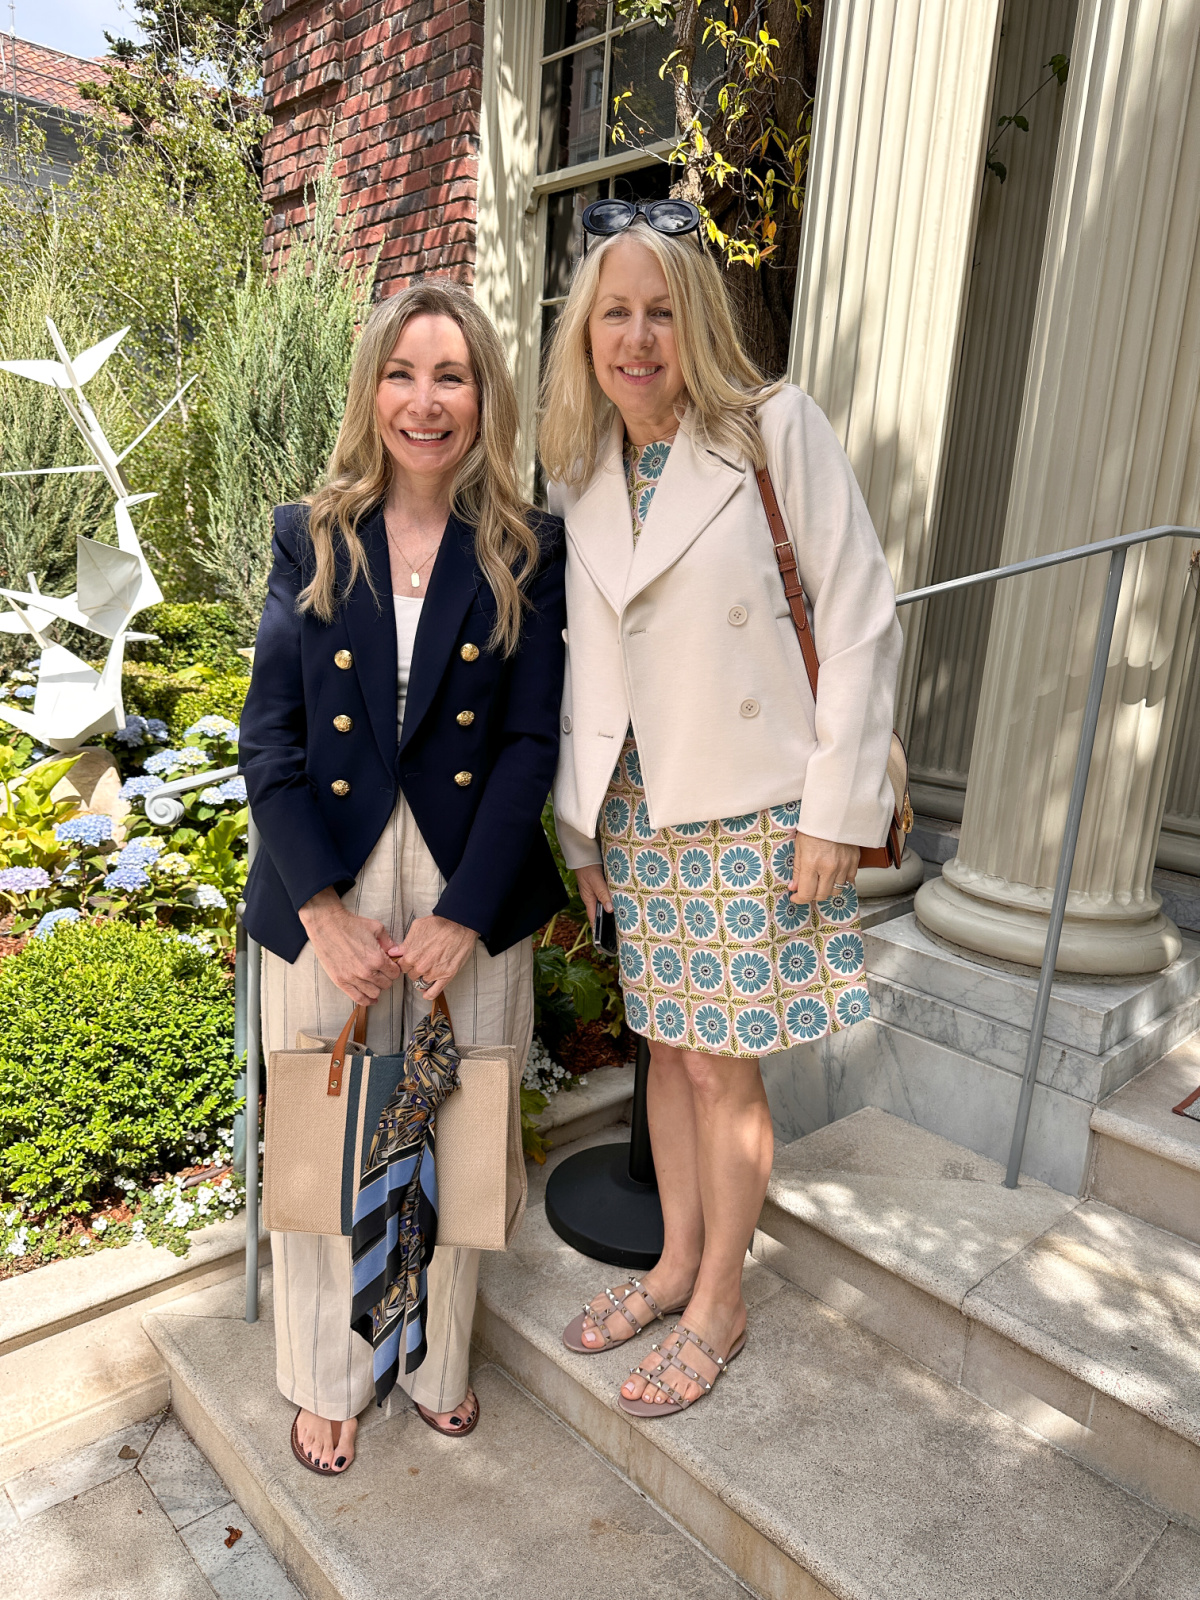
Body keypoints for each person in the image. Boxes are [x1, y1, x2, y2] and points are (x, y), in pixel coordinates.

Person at [540, 200, 901, 1418]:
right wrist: (582, 831)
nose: (637, 338)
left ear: (693, 320)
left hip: (750, 805)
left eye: (659, 311)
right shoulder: (581, 468)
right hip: (639, 812)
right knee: (668, 1052)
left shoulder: (771, 431)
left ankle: (720, 1300)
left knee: (721, 1073)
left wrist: (833, 810)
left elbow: (856, 617)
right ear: (585, 331)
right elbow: (591, 662)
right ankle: (677, 1260)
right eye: (614, 313)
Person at [240, 280, 567, 1473]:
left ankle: (436, 1355)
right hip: (325, 872)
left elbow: (532, 739)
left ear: (486, 395)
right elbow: (268, 738)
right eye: (404, 373)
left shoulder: (530, 543)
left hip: (468, 876)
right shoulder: (310, 534)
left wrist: (468, 911)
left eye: (453, 376)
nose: (426, 402)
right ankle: (327, 1369)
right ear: (371, 388)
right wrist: (320, 909)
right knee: (328, 1133)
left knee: (463, 1120)